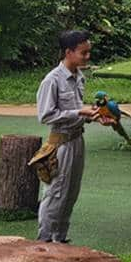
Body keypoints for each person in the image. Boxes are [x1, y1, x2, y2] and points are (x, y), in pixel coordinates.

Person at [35, 30, 106, 244]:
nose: (87, 57)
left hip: (77, 139)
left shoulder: (79, 77)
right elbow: (46, 115)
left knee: (71, 193)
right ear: (68, 52)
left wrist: (95, 116)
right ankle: (44, 242)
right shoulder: (52, 80)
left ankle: (60, 239)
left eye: (88, 52)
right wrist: (79, 112)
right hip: (61, 143)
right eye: (83, 53)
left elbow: (79, 112)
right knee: (56, 193)